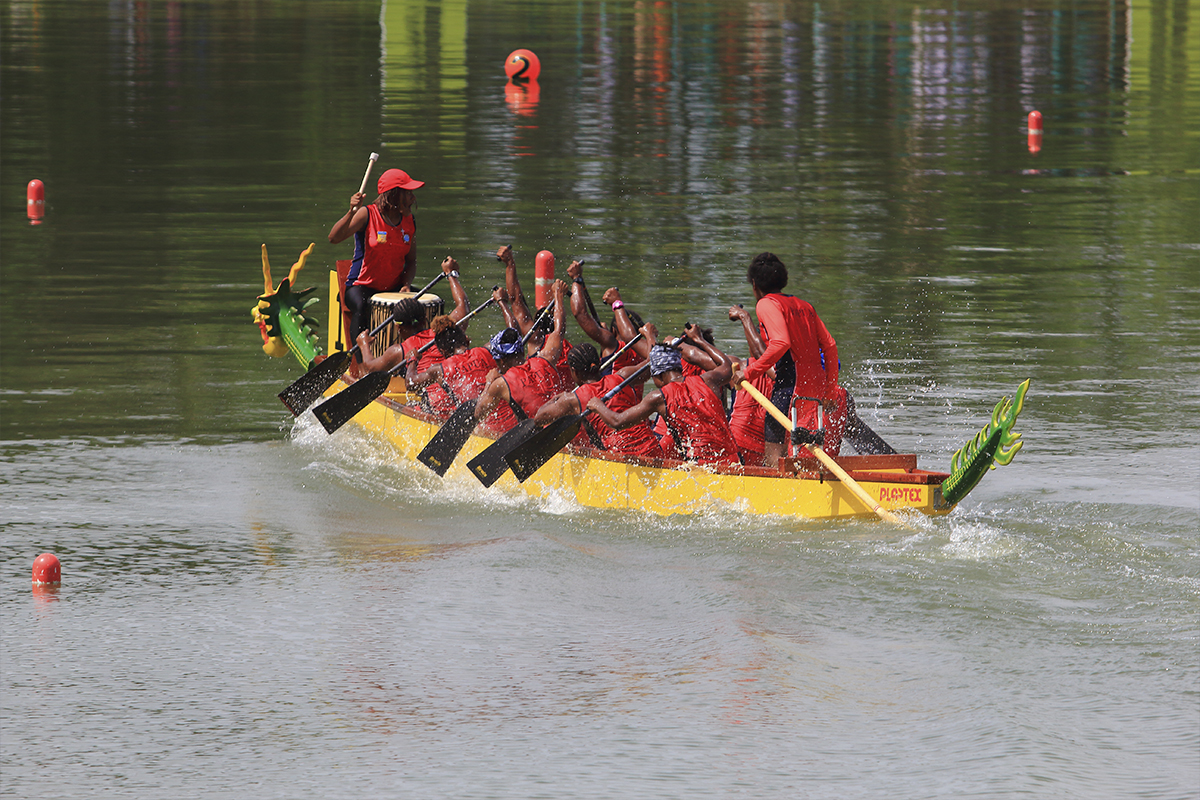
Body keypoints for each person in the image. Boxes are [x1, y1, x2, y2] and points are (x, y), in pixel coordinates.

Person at [730, 252, 839, 468]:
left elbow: (781, 343)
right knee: (805, 438)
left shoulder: (766, 304)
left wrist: (749, 372)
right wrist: (830, 390)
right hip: (816, 381)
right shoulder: (805, 305)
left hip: (792, 380)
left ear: (754, 284)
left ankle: (777, 485)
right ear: (783, 280)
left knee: (774, 430)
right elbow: (830, 346)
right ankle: (808, 480)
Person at [587, 325, 740, 468]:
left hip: (702, 469)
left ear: (658, 376)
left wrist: (597, 405)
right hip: (733, 462)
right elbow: (726, 365)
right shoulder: (708, 380)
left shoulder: (658, 397)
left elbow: (617, 421)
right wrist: (699, 339)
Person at [329, 167, 425, 349]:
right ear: (394, 195)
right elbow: (333, 238)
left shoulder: (409, 221)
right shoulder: (367, 214)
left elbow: (411, 261)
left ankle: (421, 359)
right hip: (361, 286)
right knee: (362, 305)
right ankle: (362, 364)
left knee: (423, 303)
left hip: (395, 287)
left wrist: (406, 284)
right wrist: (351, 212)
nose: (413, 198)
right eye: (409, 193)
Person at [531, 343, 664, 459]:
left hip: (621, 456)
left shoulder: (572, 399)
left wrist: (556, 398)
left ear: (574, 372)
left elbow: (539, 418)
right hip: (652, 448)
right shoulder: (623, 376)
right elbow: (652, 361)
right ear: (599, 363)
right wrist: (650, 335)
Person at [473, 280, 568, 433]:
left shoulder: (501, 384)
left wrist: (488, 384)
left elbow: (478, 414)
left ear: (501, 360)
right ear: (522, 352)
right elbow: (559, 329)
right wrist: (558, 295)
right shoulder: (546, 358)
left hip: (538, 439)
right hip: (564, 430)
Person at [354, 257, 463, 376]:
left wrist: (364, 344)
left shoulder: (398, 351)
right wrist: (451, 274)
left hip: (429, 392)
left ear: (398, 327)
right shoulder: (446, 331)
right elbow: (463, 305)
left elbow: (371, 368)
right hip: (457, 382)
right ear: (424, 320)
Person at [497, 245, 574, 390]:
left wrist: (509, 263)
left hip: (535, 397)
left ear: (536, 327)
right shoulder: (569, 347)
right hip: (564, 400)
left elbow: (515, 301)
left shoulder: (536, 339)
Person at [405, 300, 500, 417]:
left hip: (474, 422)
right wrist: (502, 303)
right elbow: (514, 333)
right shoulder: (487, 351)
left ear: (443, 352)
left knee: (411, 405)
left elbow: (411, 384)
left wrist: (412, 360)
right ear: (466, 340)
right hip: (497, 417)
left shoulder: (439, 370)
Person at [567, 261, 645, 373]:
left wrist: (576, 279)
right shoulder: (646, 351)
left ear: (613, 331)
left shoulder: (612, 344)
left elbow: (580, 313)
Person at [726, 303, 776, 467]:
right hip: (742, 446)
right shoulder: (737, 366)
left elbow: (761, 355)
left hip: (762, 449)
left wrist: (744, 317)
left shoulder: (779, 373)